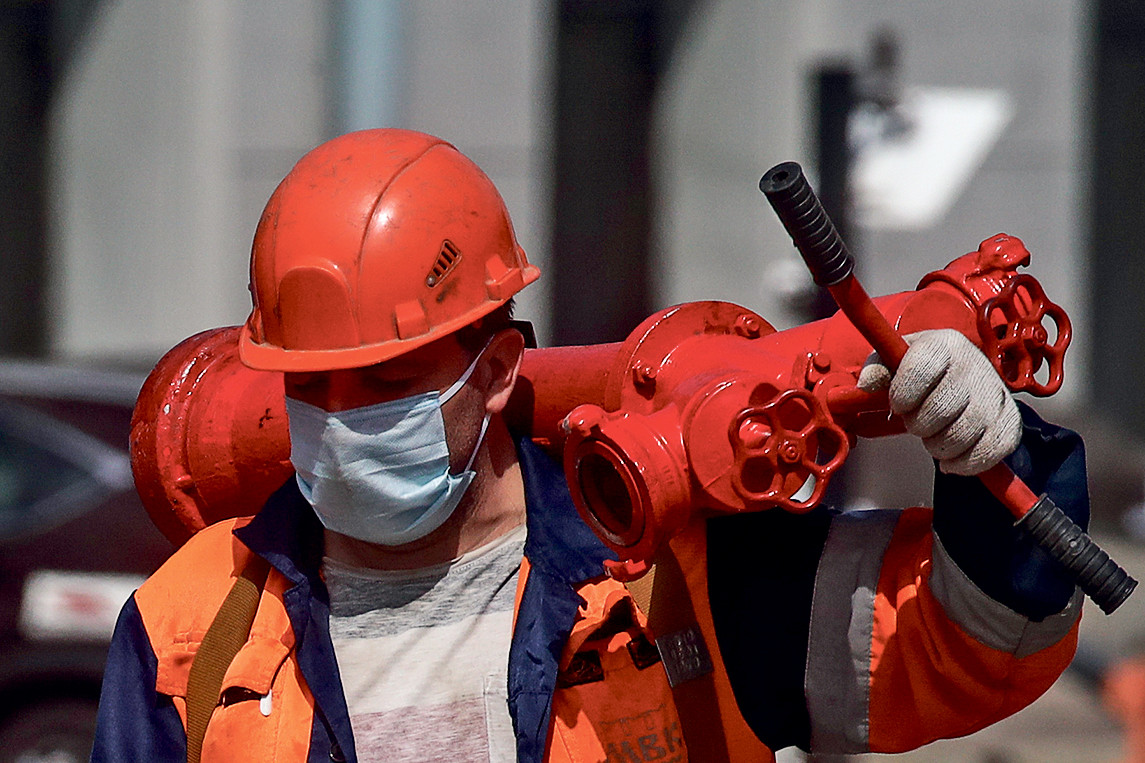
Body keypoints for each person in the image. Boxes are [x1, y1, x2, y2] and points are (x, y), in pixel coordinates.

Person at [91, 128, 1089, 762]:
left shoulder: (675, 581)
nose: (342, 420)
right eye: (309, 387)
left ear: (495, 370)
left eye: (388, 384)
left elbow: (968, 653)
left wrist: (987, 458)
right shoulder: (193, 621)